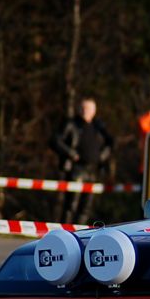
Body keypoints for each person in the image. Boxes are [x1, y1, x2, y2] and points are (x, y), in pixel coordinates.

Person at [51, 96, 114, 224]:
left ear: (94, 110)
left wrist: (102, 156)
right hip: (76, 169)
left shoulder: (98, 126)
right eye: (83, 108)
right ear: (79, 109)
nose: (86, 111)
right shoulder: (71, 123)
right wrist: (71, 154)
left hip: (93, 170)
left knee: (86, 208)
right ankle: (65, 234)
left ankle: (80, 234)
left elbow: (111, 142)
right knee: (71, 205)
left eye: (89, 108)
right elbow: (55, 141)